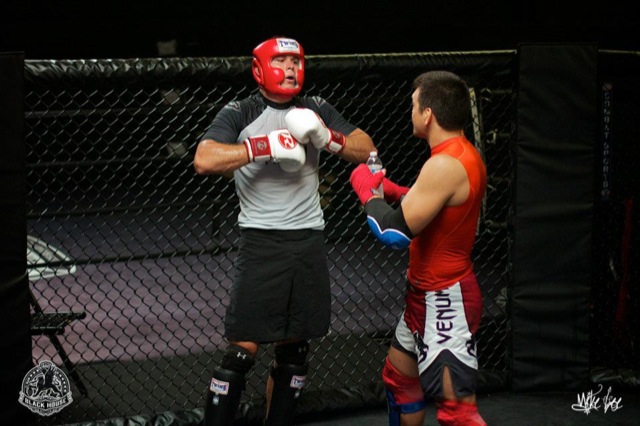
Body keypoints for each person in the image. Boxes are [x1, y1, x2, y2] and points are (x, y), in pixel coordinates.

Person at [193, 36, 376, 426]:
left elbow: (367, 149)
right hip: (261, 241)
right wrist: (259, 147)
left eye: (296, 60)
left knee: (294, 354)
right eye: (281, 60)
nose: (291, 68)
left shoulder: (316, 108)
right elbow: (204, 159)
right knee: (240, 354)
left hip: (308, 240)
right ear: (259, 69)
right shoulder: (241, 111)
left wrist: (331, 139)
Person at [349, 70, 487, 426]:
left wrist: (365, 189)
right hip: (423, 297)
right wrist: (394, 191)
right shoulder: (458, 154)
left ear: (428, 114)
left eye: (414, 105)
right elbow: (432, 205)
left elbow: (392, 232)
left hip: (444, 300)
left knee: (458, 414)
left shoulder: (445, 164)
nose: (410, 112)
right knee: (400, 380)